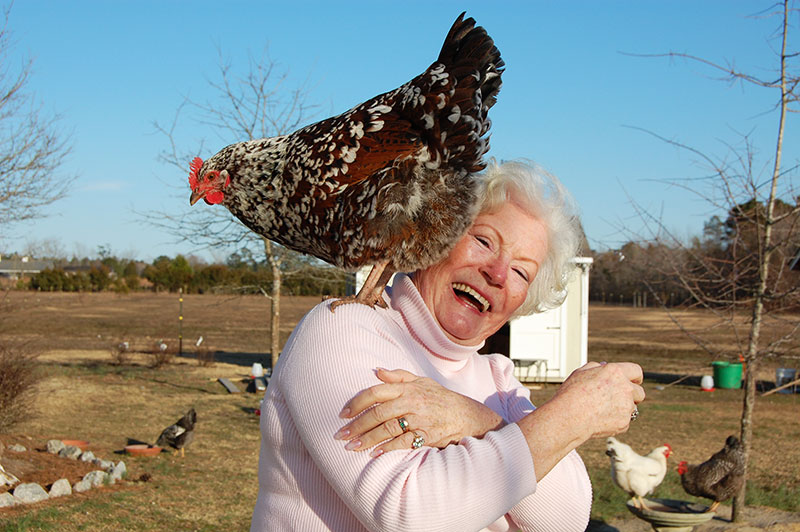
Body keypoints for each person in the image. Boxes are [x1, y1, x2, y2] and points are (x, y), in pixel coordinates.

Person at [250, 160, 645, 532]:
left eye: (522, 271)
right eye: (484, 241)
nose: (497, 272)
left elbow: (565, 518)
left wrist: (475, 419)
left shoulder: (498, 381)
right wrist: (572, 414)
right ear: (437, 235)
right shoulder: (343, 329)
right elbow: (410, 511)